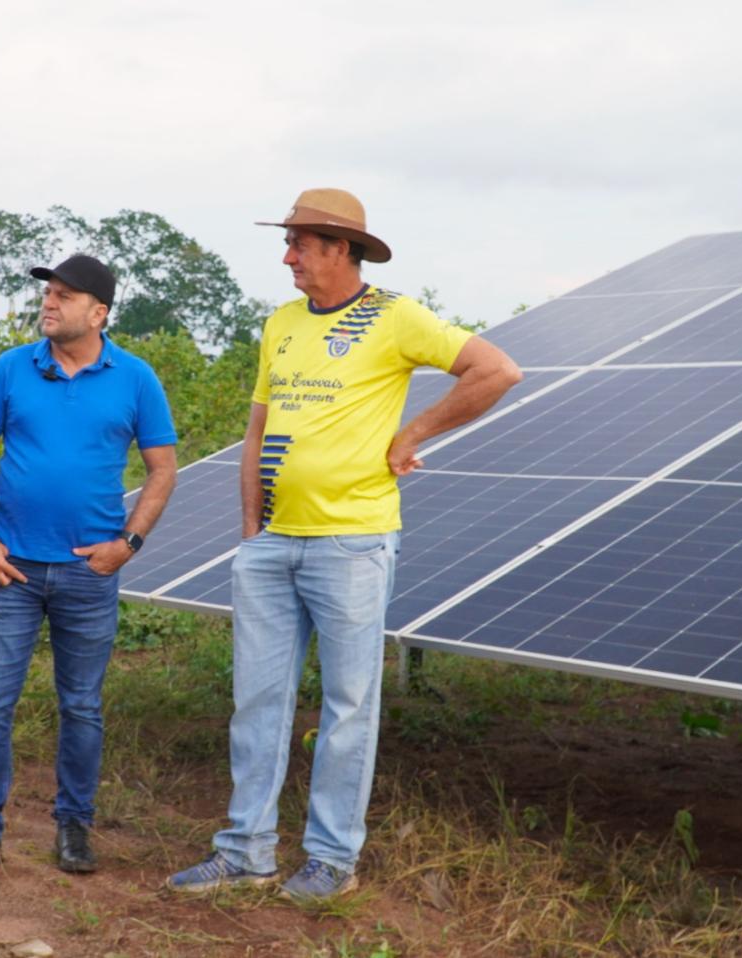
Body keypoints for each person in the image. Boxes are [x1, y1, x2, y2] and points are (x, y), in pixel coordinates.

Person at [167, 189, 522, 901]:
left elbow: (497, 370)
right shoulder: (282, 324)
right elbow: (258, 431)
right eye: (290, 241)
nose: (288, 255)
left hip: (352, 543)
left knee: (349, 704)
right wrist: (248, 531)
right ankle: (246, 852)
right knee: (256, 701)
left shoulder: (395, 317)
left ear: (341, 249)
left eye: (300, 243)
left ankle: (331, 859)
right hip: (271, 545)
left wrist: (413, 434)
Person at [0, 254, 179, 882]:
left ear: (99, 313)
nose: (50, 303)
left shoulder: (134, 378)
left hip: (88, 574)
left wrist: (128, 543)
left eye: (65, 296)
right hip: (9, 569)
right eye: (49, 293)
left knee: (82, 706)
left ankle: (74, 827)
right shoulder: (12, 368)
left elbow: (162, 468)